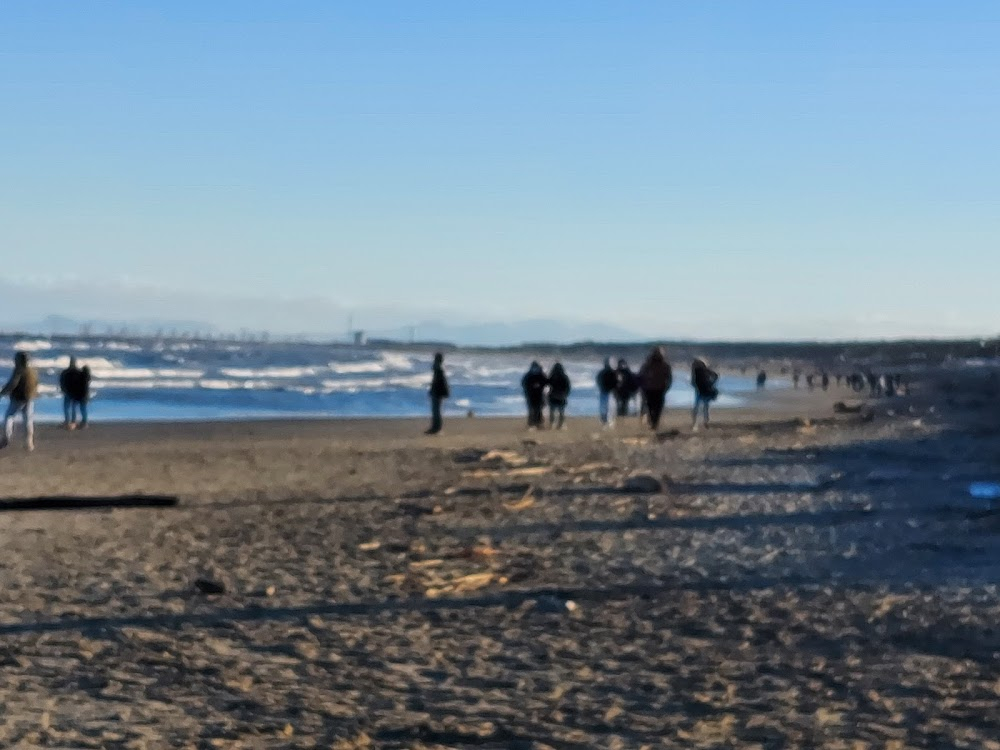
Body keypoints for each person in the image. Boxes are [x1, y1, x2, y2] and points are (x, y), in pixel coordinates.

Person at [1, 352, 39, 451]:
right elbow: (36, 383)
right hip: (29, 398)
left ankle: (6, 437)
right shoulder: (33, 371)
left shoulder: (18, 371)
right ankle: (29, 443)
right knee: (27, 420)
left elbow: (12, 384)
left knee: (9, 417)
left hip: (18, 398)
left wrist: (2, 392)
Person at [638, 346, 672, 431]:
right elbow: (641, 376)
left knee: (657, 408)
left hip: (659, 389)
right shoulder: (648, 364)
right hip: (650, 389)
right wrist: (642, 387)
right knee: (652, 408)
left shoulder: (665, 365)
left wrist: (667, 387)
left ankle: (654, 423)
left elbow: (669, 378)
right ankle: (653, 423)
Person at [59, 357, 91, 429]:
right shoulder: (79, 373)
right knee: (80, 408)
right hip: (77, 393)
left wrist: (63, 389)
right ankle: (79, 422)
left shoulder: (66, 372)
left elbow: (62, 381)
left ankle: (69, 421)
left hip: (70, 392)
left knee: (68, 407)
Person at [691, 358, 719, 431]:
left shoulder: (697, 371)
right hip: (704, 390)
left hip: (702, 391)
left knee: (698, 407)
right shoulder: (700, 371)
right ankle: (704, 423)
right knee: (704, 407)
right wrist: (712, 383)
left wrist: (711, 384)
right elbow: (716, 376)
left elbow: (693, 382)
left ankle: (697, 424)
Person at [426, 353, 449, 435]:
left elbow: (437, 383)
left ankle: (436, 428)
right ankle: (436, 428)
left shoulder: (438, 369)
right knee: (437, 411)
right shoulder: (440, 369)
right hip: (438, 392)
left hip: (437, 393)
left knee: (436, 411)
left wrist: (433, 391)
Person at [522, 361, 548, 429]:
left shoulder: (528, 374)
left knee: (533, 409)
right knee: (537, 409)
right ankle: (536, 424)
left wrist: (533, 386)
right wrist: (538, 386)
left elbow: (524, 384)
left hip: (532, 395)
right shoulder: (541, 374)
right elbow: (546, 382)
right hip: (536, 394)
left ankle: (533, 423)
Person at [547, 362, 571, 429]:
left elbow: (547, 383)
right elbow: (568, 387)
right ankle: (561, 425)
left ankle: (552, 424)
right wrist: (566, 394)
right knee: (561, 412)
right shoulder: (565, 377)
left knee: (552, 411)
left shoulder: (552, 376)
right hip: (562, 396)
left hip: (552, 395)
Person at [596, 358, 619, 427]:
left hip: (604, 391)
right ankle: (609, 421)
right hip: (610, 391)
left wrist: (601, 387)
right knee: (610, 407)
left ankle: (604, 420)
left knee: (604, 407)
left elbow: (598, 380)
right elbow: (616, 382)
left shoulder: (602, 372)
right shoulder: (613, 372)